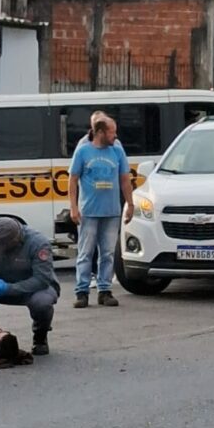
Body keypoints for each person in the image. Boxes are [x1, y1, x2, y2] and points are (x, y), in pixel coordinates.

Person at [0, 217, 60, 355]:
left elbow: (41, 279)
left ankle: (40, 336)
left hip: (33, 288)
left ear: (15, 241)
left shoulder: (38, 243)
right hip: (4, 280)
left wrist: (9, 288)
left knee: (42, 303)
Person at [69, 115, 134, 308]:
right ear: (100, 132)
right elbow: (72, 180)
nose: (115, 135)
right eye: (112, 132)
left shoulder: (117, 151)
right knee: (85, 252)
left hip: (111, 211)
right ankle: (82, 292)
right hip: (88, 211)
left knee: (107, 253)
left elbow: (124, 179)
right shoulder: (83, 151)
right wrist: (73, 207)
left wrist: (130, 204)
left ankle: (104, 290)